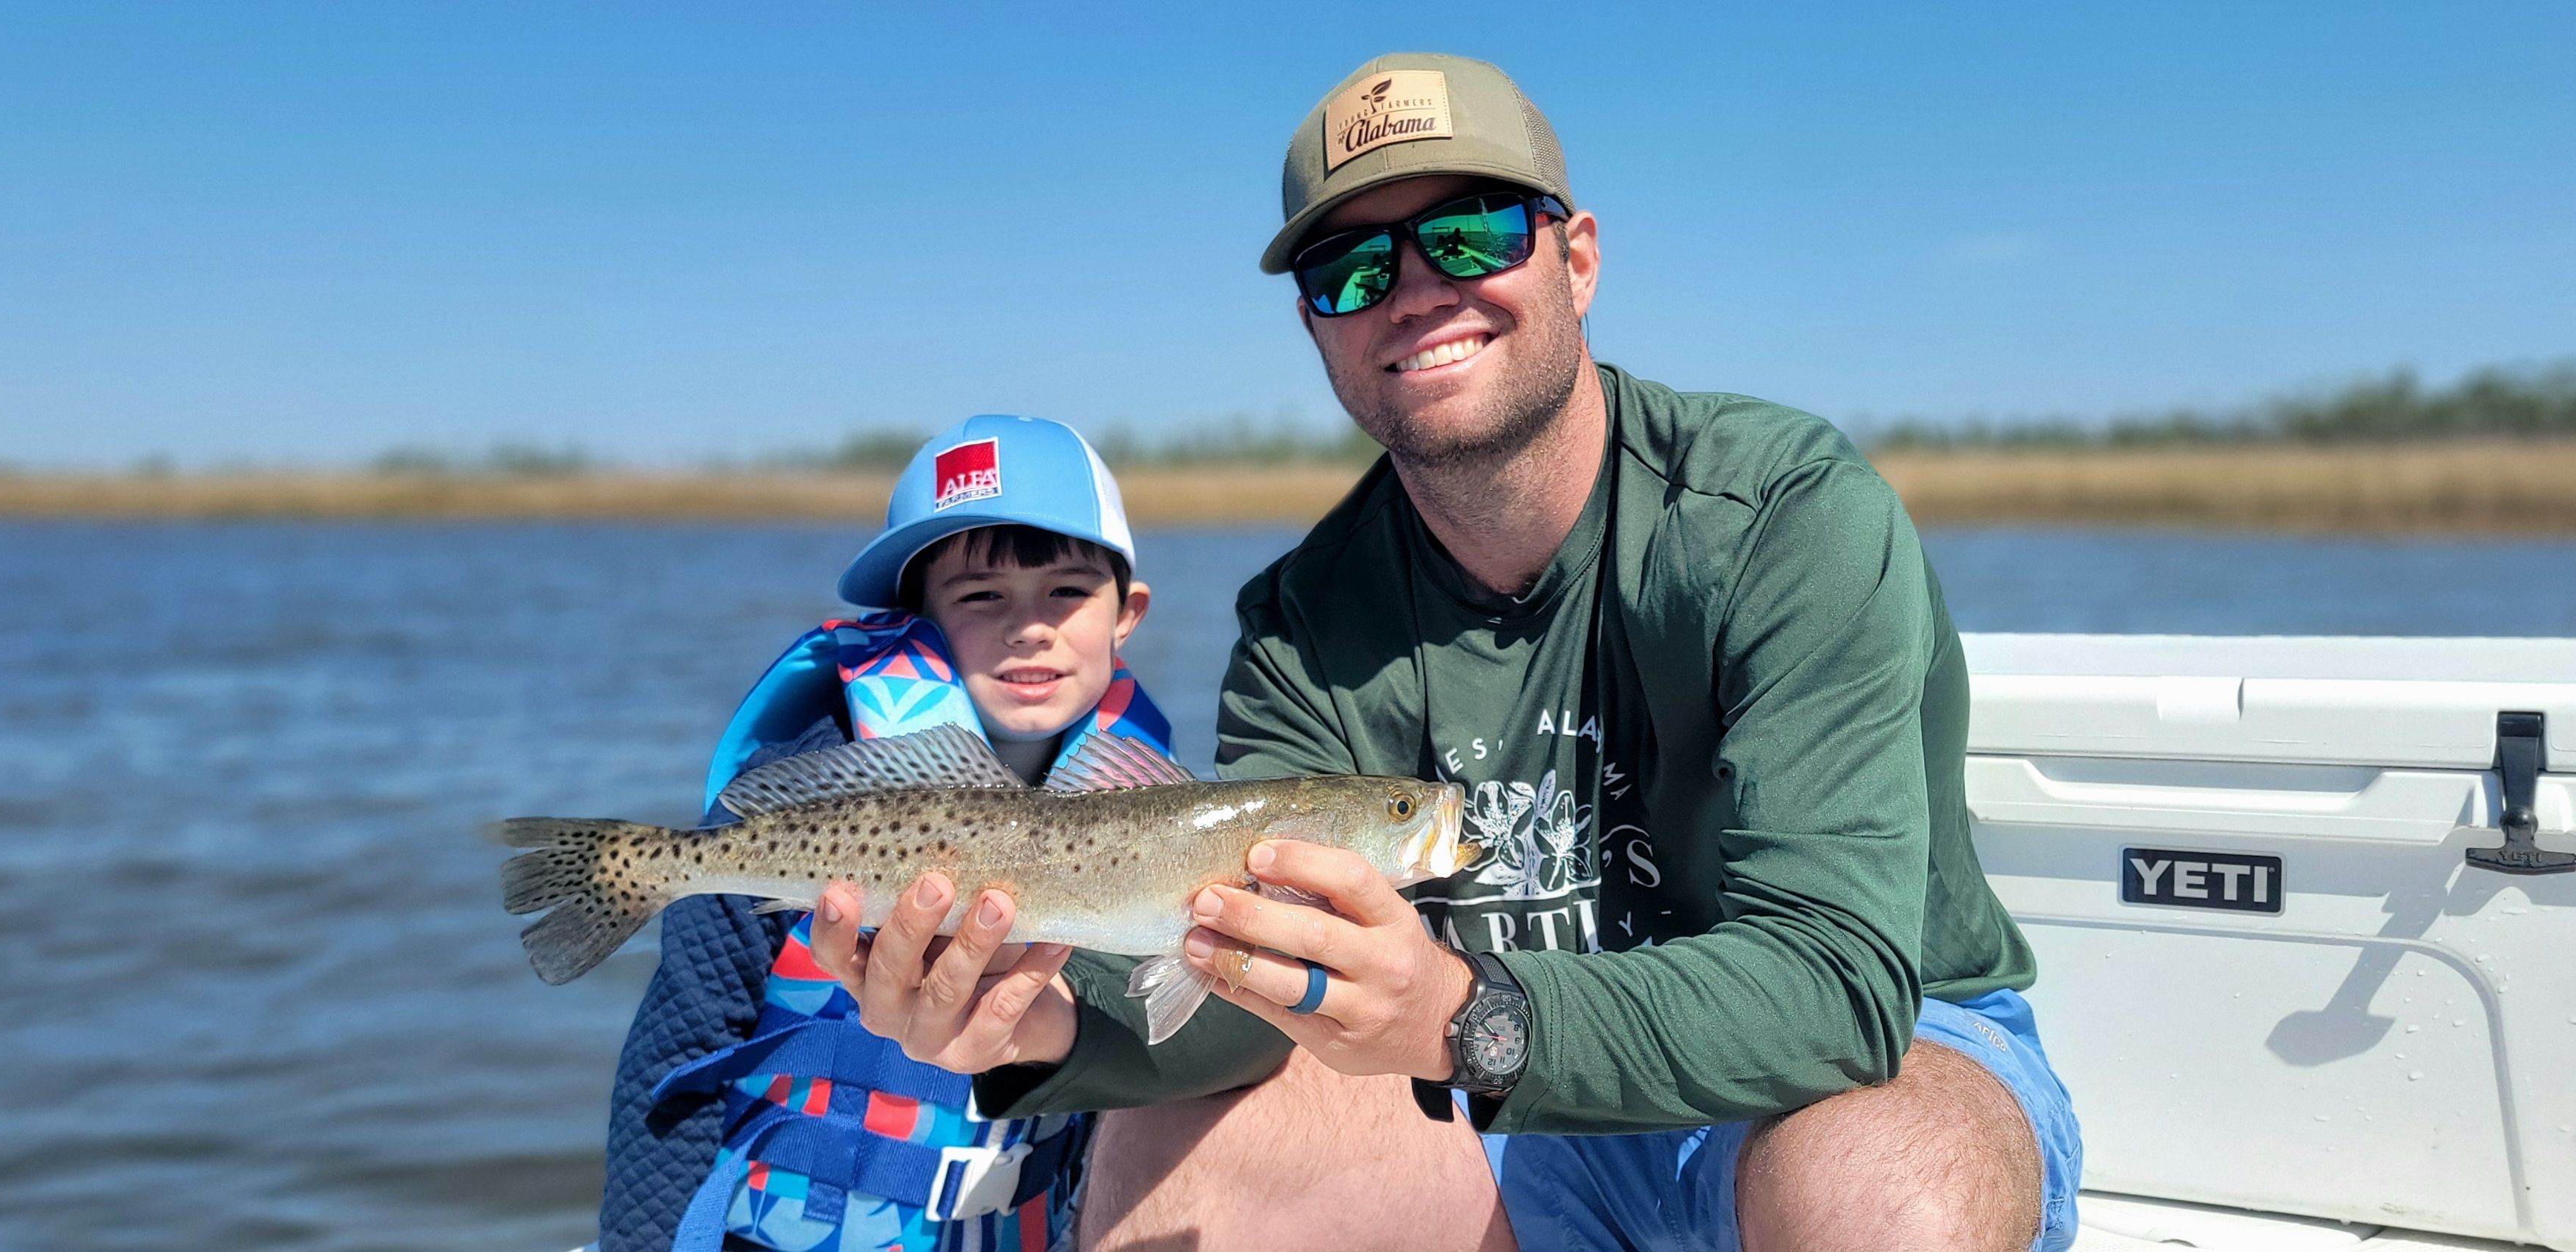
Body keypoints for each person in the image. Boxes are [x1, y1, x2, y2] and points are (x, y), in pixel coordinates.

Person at [803, 53, 2085, 1252]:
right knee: (1175, 1160)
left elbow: (1836, 987)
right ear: (1318, 328)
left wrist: (1465, 1012)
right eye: (1351, 268)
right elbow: (1238, 1003)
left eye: (1472, 233)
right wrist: (1035, 1022)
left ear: (1577, 259)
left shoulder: (1783, 518)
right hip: (1486, 1107)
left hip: (1838, 1068)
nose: (1415, 289)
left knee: (1884, 1187)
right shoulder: (1301, 625)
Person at [600, 414, 1174, 1252]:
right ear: (921, 619)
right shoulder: (811, 784)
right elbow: (679, 1050)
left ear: (1128, 612)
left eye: (1067, 591)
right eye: (981, 595)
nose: (1029, 626)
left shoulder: (1162, 811)